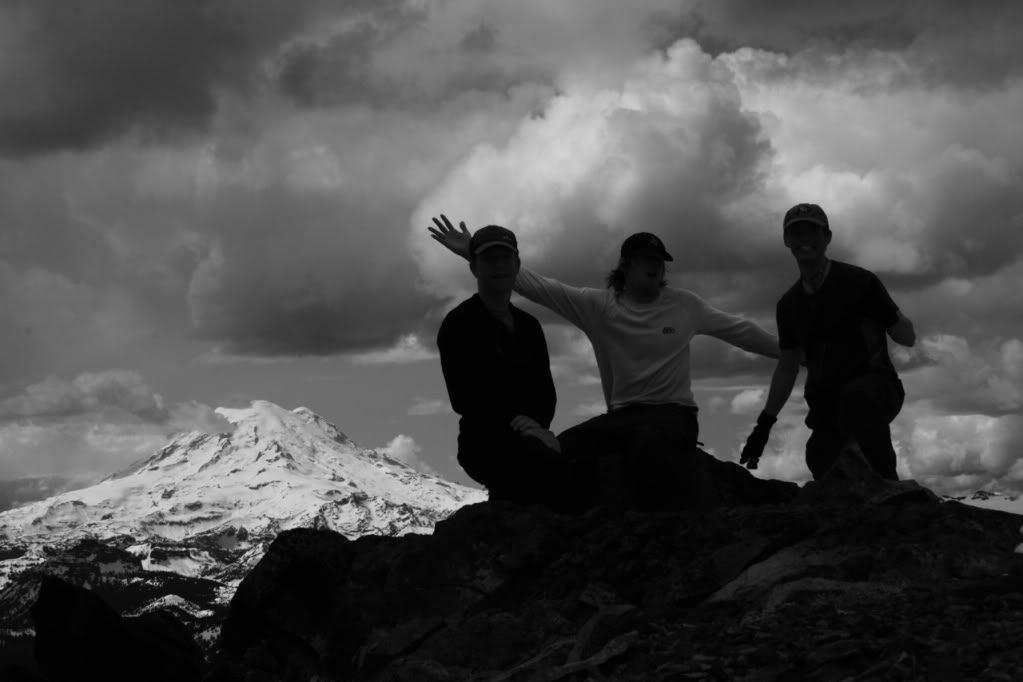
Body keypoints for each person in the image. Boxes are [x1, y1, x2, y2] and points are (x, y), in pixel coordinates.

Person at [429, 215, 780, 509]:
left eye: (659, 262)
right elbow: (536, 285)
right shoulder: (599, 307)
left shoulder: (686, 305)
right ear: (626, 266)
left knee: (648, 452)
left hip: (672, 414)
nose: (654, 267)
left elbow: (742, 331)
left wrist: (795, 352)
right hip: (621, 417)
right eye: (645, 260)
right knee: (563, 454)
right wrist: (472, 253)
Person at [739, 203, 916, 481]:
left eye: (813, 232)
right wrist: (764, 425)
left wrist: (892, 317)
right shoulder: (789, 305)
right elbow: (787, 366)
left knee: (860, 398)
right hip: (828, 405)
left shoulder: (860, 281)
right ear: (787, 241)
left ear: (827, 237)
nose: (804, 240)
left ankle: (889, 487)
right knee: (819, 455)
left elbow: (907, 338)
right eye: (797, 233)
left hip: (877, 388)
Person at [436, 224, 573, 509]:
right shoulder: (459, 323)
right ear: (473, 267)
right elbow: (464, 397)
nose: (498, 266)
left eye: (505, 258)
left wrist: (538, 426)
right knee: (545, 472)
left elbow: (545, 391)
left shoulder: (529, 326)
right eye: (489, 259)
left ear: (517, 265)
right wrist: (521, 425)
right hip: (483, 441)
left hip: (534, 435)